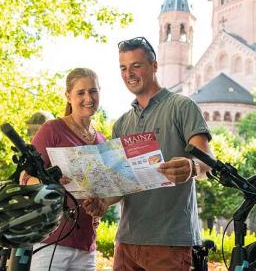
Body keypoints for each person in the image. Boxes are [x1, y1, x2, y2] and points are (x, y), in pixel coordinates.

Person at [83, 36, 213, 271]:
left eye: (136, 65)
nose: (129, 73)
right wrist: (102, 202)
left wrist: (192, 167)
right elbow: (119, 184)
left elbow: (208, 163)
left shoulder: (182, 106)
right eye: (123, 68)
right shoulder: (121, 124)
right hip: (126, 241)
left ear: (154, 66)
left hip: (170, 242)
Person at [21, 68, 106, 271]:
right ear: (68, 96)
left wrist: (102, 203)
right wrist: (49, 183)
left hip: (86, 246)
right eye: (81, 92)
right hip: (50, 244)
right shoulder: (52, 130)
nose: (88, 98)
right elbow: (25, 179)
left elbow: (103, 191)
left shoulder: (102, 141)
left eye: (93, 91)